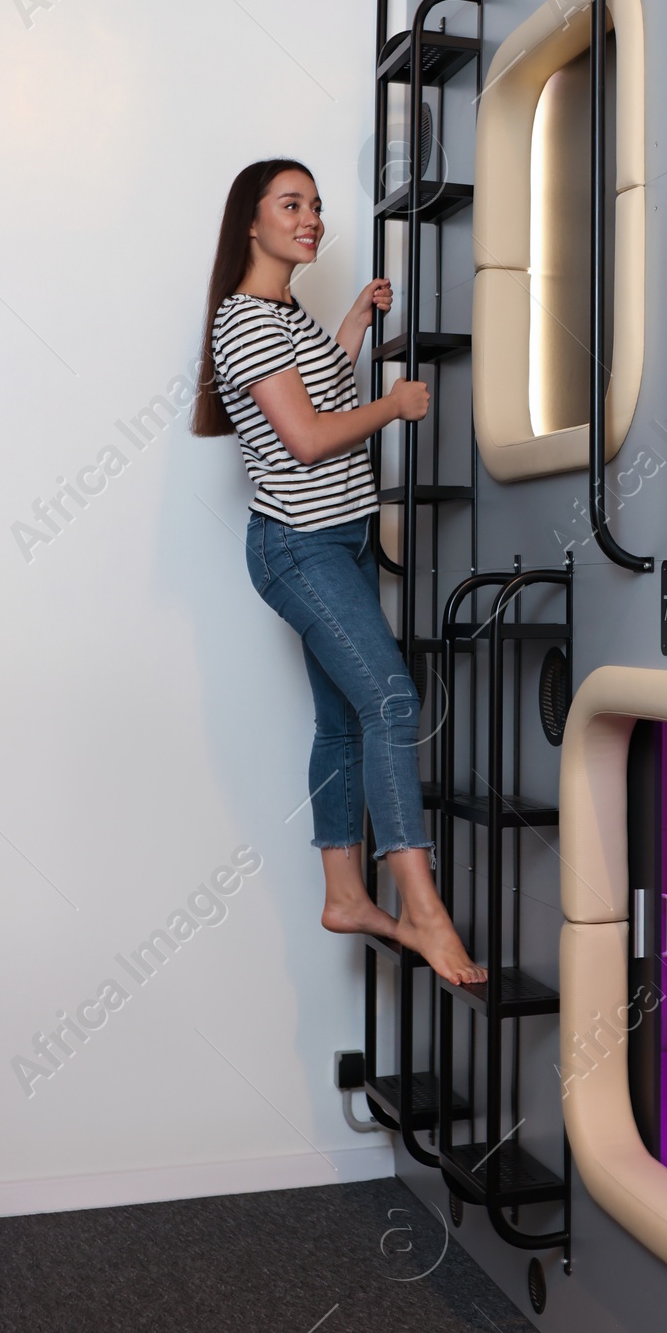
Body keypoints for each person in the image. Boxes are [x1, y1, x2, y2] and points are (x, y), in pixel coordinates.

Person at [192, 157, 484, 985]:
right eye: (292, 204)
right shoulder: (246, 319)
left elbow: (318, 389)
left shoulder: (286, 314)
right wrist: (392, 406)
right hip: (299, 546)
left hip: (341, 539)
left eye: (316, 204)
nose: (312, 216)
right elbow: (310, 438)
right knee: (392, 699)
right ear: (251, 222)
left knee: (347, 719)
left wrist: (352, 322)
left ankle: (346, 894)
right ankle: (422, 910)